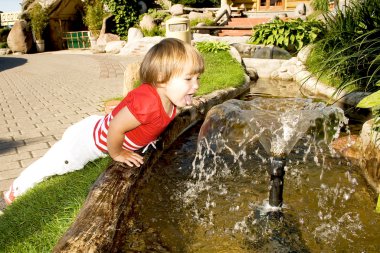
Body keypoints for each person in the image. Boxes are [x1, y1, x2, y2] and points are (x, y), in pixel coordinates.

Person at [3, 38, 204, 205]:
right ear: (161, 78)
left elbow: (134, 101)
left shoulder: (169, 97)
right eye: (188, 79)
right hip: (86, 141)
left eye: (197, 78)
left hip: (98, 124)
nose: (196, 86)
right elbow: (117, 126)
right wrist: (117, 153)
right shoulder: (148, 105)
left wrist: (122, 108)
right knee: (55, 164)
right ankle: (13, 192)